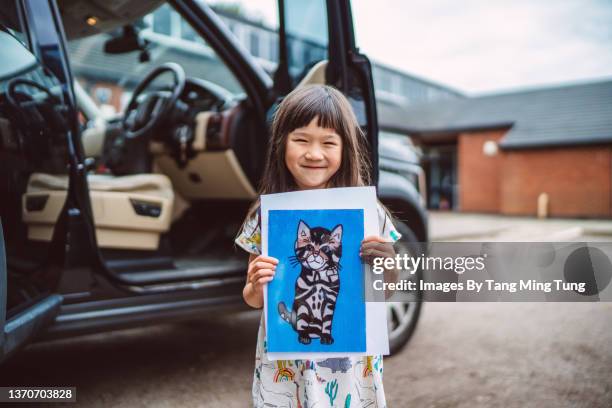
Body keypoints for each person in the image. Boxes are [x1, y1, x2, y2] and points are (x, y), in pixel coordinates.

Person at [235, 84, 402, 407]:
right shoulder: (265, 217)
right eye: (301, 140)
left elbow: (385, 291)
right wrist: (256, 284)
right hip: (287, 365)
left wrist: (388, 267)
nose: (314, 153)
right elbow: (253, 299)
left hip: (350, 366)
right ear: (281, 144)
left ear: (345, 149)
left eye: (328, 142)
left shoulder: (371, 215)